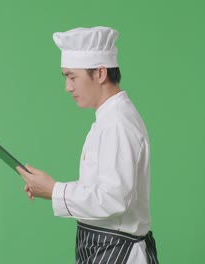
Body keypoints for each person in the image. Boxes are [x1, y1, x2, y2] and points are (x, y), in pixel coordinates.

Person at [16, 26, 159, 264]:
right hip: (102, 247)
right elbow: (101, 187)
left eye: (72, 77)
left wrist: (54, 191)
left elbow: (114, 198)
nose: (68, 87)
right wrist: (48, 187)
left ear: (100, 73)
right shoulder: (107, 119)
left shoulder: (117, 124)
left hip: (118, 253)